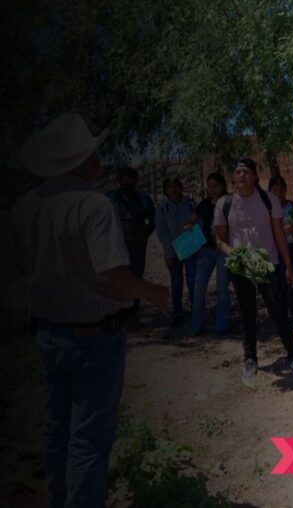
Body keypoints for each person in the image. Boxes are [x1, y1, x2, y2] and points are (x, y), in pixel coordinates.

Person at [11, 113, 169, 508]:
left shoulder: (25, 207)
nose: (100, 161)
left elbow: (17, 269)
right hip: (94, 338)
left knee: (57, 429)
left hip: (49, 334)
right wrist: (153, 293)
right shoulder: (92, 206)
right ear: (78, 161)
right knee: (88, 440)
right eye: (93, 154)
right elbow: (111, 275)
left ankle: (59, 498)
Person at [213, 158, 293, 384]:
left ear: (256, 176)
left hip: (270, 265)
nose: (241, 176)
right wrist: (237, 256)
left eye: (246, 172)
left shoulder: (269, 201)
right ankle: (250, 359)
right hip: (241, 268)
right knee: (247, 313)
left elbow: (279, 235)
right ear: (233, 177)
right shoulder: (224, 204)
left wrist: (288, 266)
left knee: (278, 312)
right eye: (237, 172)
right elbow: (220, 240)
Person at [106, 167, 156, 318]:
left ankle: (133, 314)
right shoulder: (111, 198)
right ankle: (118, 314)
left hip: (137, 248)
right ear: (119, 180)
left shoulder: (143, 198)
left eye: (131, 179)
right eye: (124, 179)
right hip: (116, 248)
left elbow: (153, 220)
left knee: (136, 279)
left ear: (136, 181)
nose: (127, 182)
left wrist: (144, 234)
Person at [187, 172, 231, 336]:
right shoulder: (204, 204)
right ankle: (197, 325)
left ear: (223, 186)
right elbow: (191, 220)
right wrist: (189, 226)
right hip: (205, 250)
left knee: (222, 288)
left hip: (223, 250)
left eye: (215, 185)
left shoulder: (229, 202)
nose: (212, 189)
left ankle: (222, 325)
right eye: (210, 186)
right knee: (199, 287)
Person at [155, 178, 197, 331]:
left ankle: (196, 312)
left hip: (190, 248)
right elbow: (162, 232)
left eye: (175, 186)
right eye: (169, 186)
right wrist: (168, 253)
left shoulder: (191, 204)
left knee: (193, 280)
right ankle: (177, 313)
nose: (173, 189)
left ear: (181, 187)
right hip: (173, 249)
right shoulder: (162, 208)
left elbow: (198, 222)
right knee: (176, 281)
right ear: (165, 190)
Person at [268, 175, 293, 332]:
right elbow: (268, 233)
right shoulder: (267, 209)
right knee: (280, 285)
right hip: (277, 250)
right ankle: (282, 318)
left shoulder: (292, 205)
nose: (279, 193)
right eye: (275, 190)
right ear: (269, 191)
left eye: (282, 189)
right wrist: (286, 231)